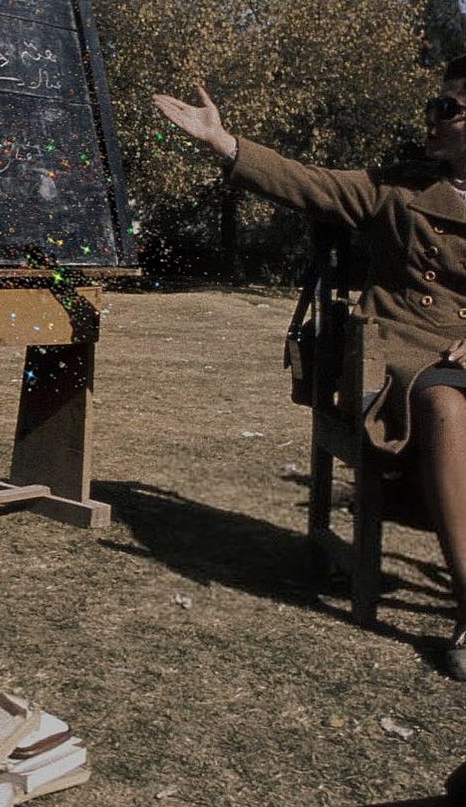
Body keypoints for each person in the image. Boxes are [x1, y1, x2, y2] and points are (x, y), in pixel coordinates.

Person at [153, 54, 466, 677]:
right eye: (435, 106)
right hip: (413, 350)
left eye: (449, 109)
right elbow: (306, 182)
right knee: (442, 403)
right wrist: (224, 141)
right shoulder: (394, 187)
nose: (433, 119)